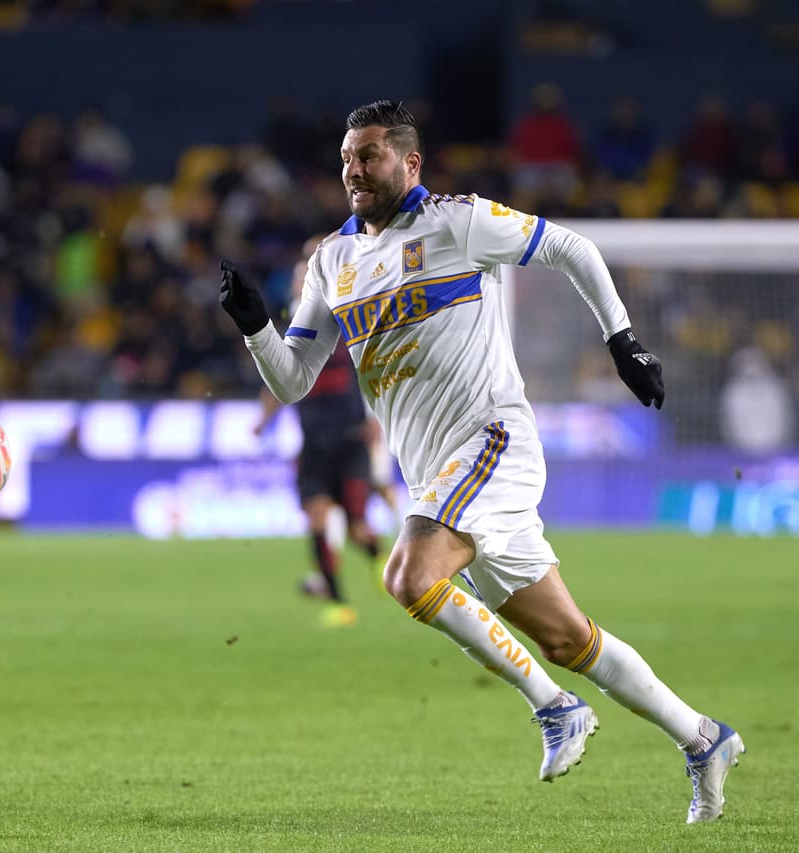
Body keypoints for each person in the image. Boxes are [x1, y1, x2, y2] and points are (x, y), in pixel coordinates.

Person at [218, 100, 742, 824]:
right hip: (437, 473)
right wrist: (254, 326)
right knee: (566, 636)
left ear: (410, 162)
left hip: (491, 441)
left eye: (368, 155)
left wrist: (623, 341)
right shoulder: (332, 261)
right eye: (346, 157)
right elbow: (294, 378)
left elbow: (573, 249)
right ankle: (704, 737)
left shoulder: (458, 222)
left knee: (408, 574)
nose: (353, 170)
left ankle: (556, 709)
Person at [252, 236, 383, 627]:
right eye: (298, 274)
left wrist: (377, 417)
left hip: (350, 439)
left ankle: (379, 561)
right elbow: (280, 376)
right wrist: (264, 418)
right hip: (314, 444)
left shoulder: (349, 317)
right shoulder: (292, 325)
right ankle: (338, 602)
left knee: (359, 529)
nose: (301, 279)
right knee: (318, 520)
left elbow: (373, 366)